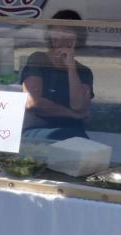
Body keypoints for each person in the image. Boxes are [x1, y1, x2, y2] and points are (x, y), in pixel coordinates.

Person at [21, 9, 95, 139]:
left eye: (65, 34)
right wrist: (71, 114)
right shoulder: (38, 59)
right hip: (38, 131)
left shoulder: (84, 71)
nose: (58, 40)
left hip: (73, 133)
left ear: (76, 39)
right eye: (55, 34)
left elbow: (79, 107)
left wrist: (71, 68)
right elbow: (33, 102)